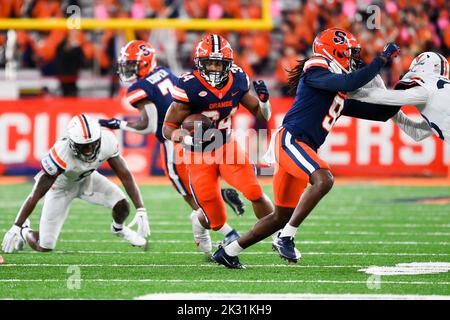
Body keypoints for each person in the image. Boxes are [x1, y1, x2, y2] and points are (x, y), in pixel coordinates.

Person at [212, 28, 400, 268]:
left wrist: (407, 89)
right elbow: (351, 80)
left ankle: (228, 251)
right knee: (324, 179)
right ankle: (286, 237)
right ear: (335, 52)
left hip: (300, 147)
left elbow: (381, 114)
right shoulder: (315, 68)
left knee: (281, 217)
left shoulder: (336, 91)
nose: (352, 58)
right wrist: (381, 59)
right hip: (291, 141)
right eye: (349, 53)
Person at [98, 40, 245, 255]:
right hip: (196, 132)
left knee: (185, 189)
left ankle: (224, 230)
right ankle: (215, 205)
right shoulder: (165, 72)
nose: (127, 70)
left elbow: (148, 125)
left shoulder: (138, 88)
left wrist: (119, 124)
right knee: (198, 183)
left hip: (174, 139)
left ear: (145, 64)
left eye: (132, 65)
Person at [162, 34, 275, 255]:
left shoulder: (238, 79)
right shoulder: (189, 85)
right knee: (213, 217)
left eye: (219, 63)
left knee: (254, 190)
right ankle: (198, 222)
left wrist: (264, 102)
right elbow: (168, 129)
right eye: (209, 62)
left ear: (229, 64)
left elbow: (261, 116)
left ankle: (279, 235)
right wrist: (188, 138)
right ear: (198, 63)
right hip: (197, 153)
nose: (214, 67)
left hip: (226, 144)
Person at [1, 114, 150, 253]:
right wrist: (17, 226)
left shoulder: (107, 141)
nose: (89, 150)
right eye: (84, 146)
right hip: (60, 189)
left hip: (87, 180)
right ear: (72, 143)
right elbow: (36, 194)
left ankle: (118, 229)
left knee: (122, 205)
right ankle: (25, 231)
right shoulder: (61, 154)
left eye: (92, 144)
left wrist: (141, 208)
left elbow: (125, 176)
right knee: (45, 245)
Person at [349, 51, 450, 144]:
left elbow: (382, 98)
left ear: (422, 67)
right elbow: (418, 133)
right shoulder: (439, 92)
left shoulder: (427, 90)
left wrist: (350, 92)